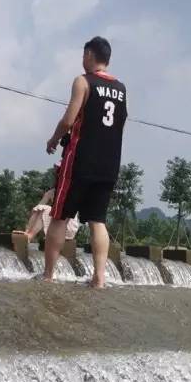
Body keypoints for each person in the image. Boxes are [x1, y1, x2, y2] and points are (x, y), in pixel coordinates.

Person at [43, 36, 127, 288]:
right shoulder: (121, 88)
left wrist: (54, 139)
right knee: (97, 220)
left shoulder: (83, 81)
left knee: (60, 216)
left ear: (89, 55)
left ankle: (48, 275)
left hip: (80, 160)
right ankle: (99, 278)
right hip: (109, 164)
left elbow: (69, 119)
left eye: (83, 55)